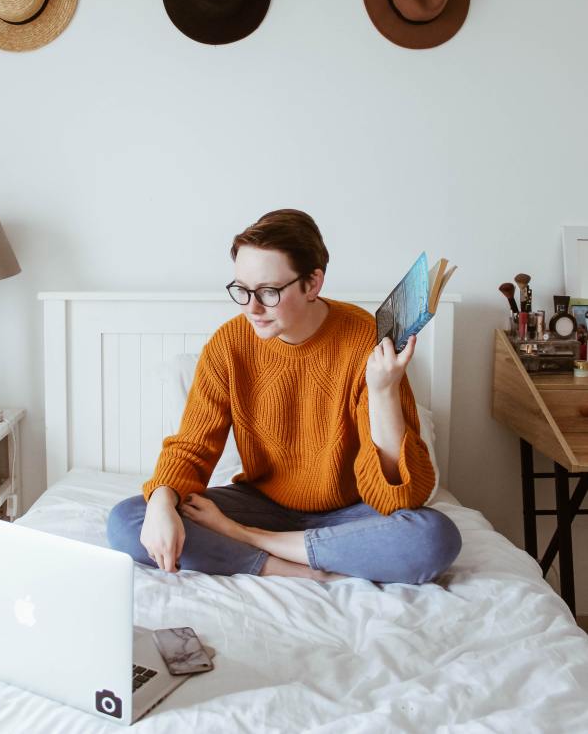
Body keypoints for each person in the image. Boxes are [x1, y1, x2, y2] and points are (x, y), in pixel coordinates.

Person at [107, 209, 462, 583]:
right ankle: (296, 567)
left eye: (268, 292)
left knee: (433, 536)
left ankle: (255, 543)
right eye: (241, 290)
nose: (252, 308)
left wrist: (383, 390)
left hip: (351, 512)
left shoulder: (363, 340)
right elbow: (192, 447)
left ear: (312, 284)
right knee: (128, 520)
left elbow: (398, 499)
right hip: (262, 503)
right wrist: (163, 499)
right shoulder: (229, 344)